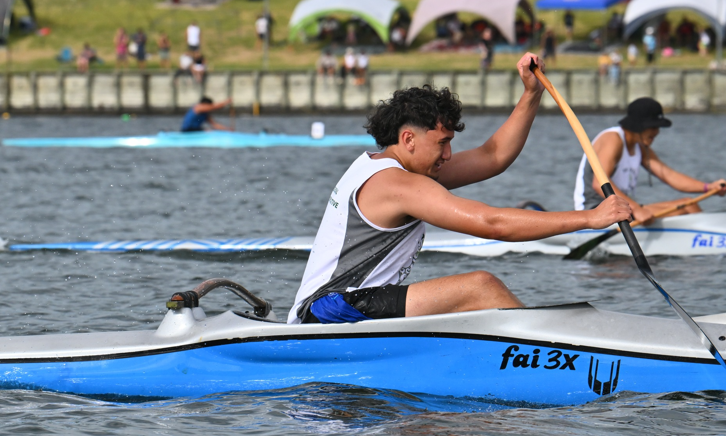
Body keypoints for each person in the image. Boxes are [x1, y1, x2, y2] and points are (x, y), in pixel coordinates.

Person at [287, 53, 633, 325]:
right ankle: (559, 357)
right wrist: (590, 218)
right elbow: (492, 224)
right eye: (443, 143)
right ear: (408, 139)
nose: (449, 154)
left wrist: (531, 93)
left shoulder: (392, 166)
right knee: (480, 287)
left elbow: (492, 156)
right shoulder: (397, 183)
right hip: (329, 311)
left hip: (343, 306)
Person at [574, 97, 726, 223]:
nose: (657, 132)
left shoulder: (639, 146)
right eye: (653, 127)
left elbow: (668, 175)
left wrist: (708, 187)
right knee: (682, 212)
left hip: (621, 208)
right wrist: (635, 208)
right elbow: (599, 184)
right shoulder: (613, 139)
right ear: (638, 126)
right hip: (595, 210)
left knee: (690, 205)